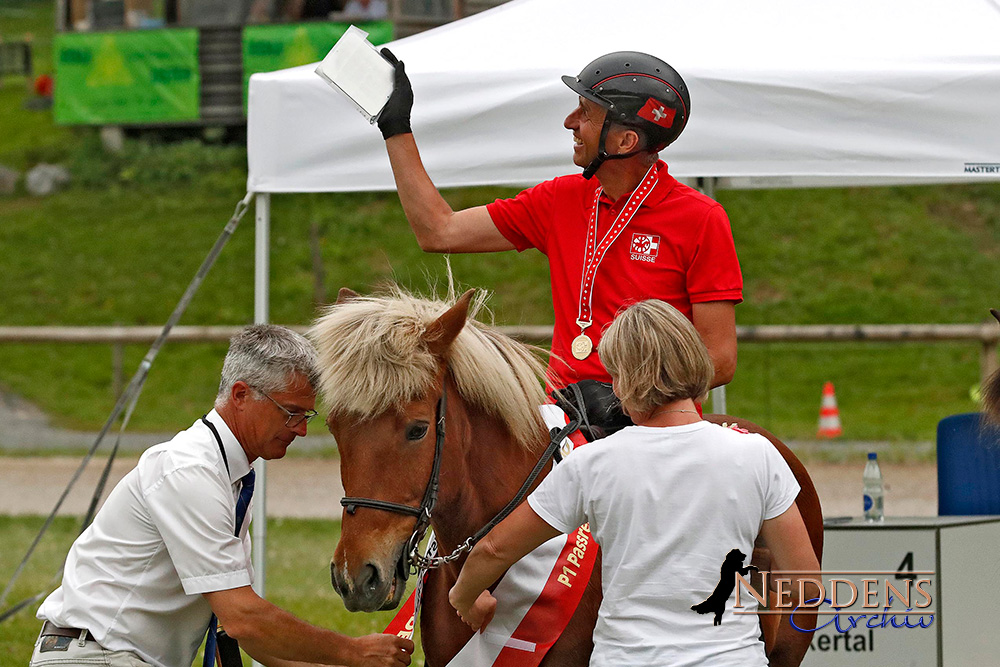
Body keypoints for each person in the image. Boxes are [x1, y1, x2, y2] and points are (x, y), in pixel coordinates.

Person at [448, 300, 818, 665]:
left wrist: (465, 596)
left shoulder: (593, 463)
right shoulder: (757, 454)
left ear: (627, 381)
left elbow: (494, 549)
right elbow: (806, 583)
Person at [30, 325, 413, 667]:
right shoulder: (190, 472)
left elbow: (248, 635)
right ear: (241, 395)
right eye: (291, 413)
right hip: (95, 657)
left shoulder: (229, 474)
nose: (301, 431)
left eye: (307, 417)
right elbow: (243, 617)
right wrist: (354, 652)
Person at [374, 50, 742, 389]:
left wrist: (632, 398)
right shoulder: (558, 198)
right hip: (565, 418)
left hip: (653, 426)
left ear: (626, 141)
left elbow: (720, 360)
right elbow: (439, 231)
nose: (570, 122)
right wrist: (396, 128)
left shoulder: (701, 218)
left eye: (586, 113)